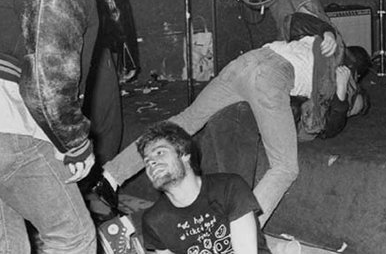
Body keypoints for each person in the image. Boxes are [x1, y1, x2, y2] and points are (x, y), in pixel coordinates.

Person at [93, 12, 370, 228]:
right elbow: (330, 127)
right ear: (356, 71)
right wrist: (343, 94)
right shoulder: (336, 66)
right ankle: (240, 233)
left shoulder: (319, 45)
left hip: (246, 62)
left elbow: (295, 20)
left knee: (186, 120)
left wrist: (324, 31)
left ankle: (112, 174)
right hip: (273, 76)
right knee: (285, 167)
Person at [0, 0, 122, 253]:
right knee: (72, 235)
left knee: (3, 241)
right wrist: (75, 146)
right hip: (0, 123)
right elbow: (49, 79)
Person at [139, 121, 270, 254]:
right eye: (147, 161)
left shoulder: (229, 187)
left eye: (160, 152)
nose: (151, 162)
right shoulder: (153, 220)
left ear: (184, 154)